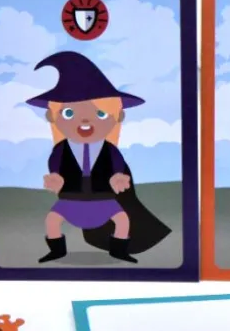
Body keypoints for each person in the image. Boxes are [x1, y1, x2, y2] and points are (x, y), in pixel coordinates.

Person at [25, 51, 170, 264]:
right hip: (71, 198)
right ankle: (57, 251)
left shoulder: (110, 150)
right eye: (69, 113)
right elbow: (55, 166)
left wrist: (118, 178)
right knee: (53, 220)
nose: (85, 121)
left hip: (103, 199)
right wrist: (56, 178)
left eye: (100, 114)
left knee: (122, 220)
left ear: (117, 117)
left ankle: (119, 251)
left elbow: (117, 167)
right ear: (52, 117)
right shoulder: (61, 150)